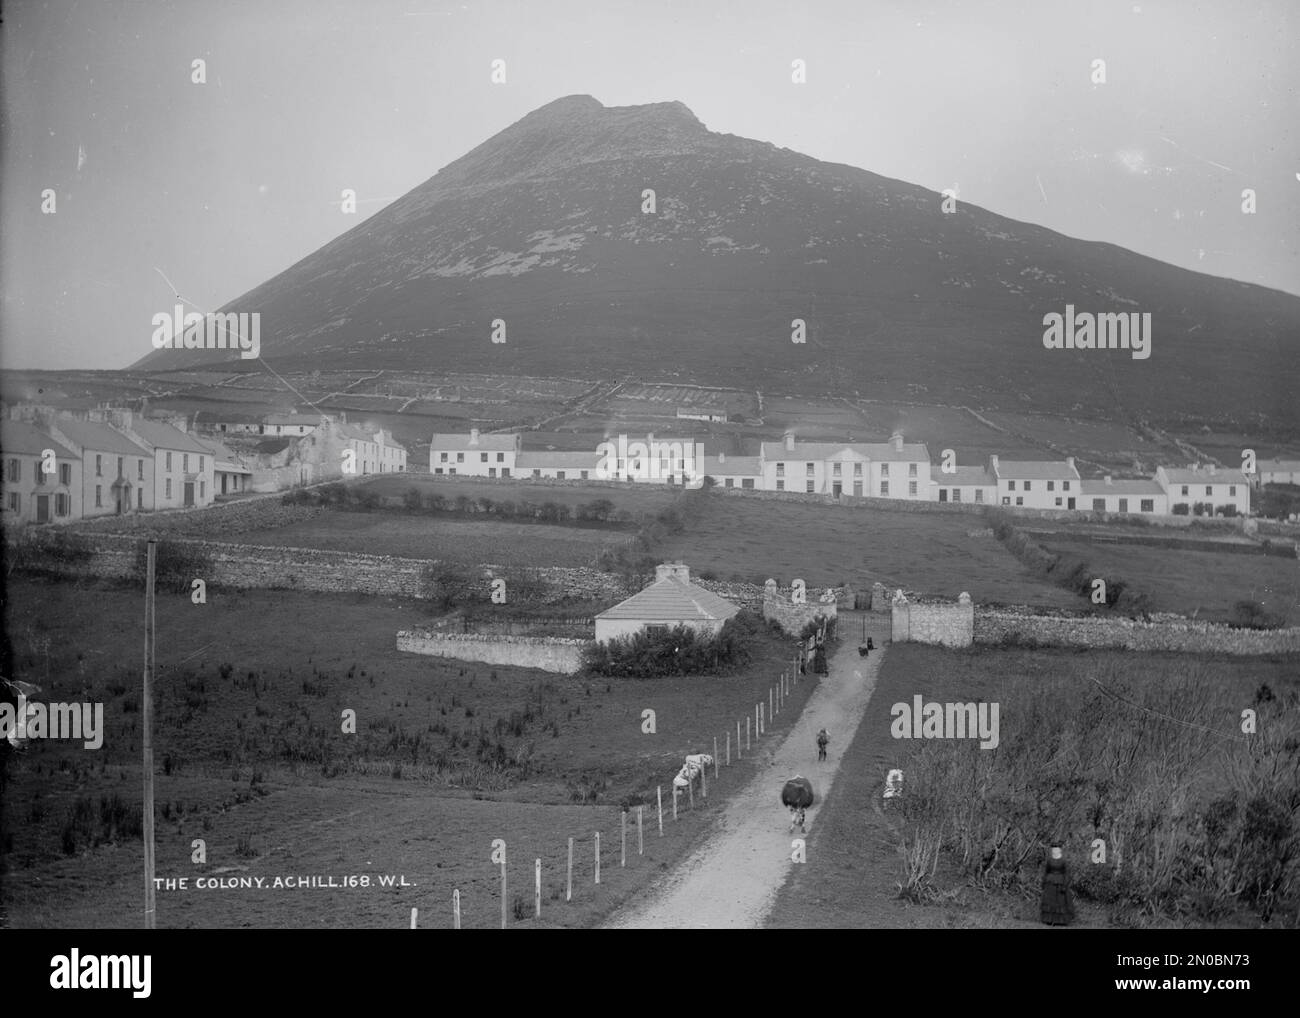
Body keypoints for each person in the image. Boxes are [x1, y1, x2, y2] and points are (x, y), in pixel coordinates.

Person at [1040, 845, 1074, 926]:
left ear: (1060, 850)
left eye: (1056, 849)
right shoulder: (1049, 860)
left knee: (1060, 901)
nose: (1055, 851)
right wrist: (1043, 882)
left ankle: (1060, 921)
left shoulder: (1063, 861)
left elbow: (1067, 873)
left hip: (1060, 883)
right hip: (1050, 883)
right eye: (1053, 849)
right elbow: (1046, 871)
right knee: (1050, 901)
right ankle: (1049, 919)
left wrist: (1065, 884)